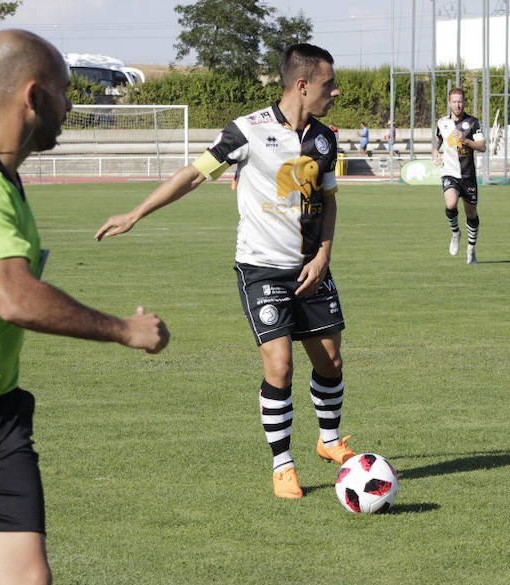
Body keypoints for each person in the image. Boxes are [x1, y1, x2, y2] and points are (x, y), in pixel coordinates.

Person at [0, 30, 169, 585]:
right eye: (65, 94)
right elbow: (14, 298)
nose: (71, 108)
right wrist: (123, 329)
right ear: (33, 98)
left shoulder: (4, 180)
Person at [95, 43, 355, 500]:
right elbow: (193, 175)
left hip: (312, 268)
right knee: (280, 365)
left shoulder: (325, 138)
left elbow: (329, 202)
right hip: (261, 270)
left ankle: (329, 441)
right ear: (302, 84)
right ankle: (282, 464)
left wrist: (323, 256)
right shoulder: (247, 131)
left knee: (330, 361)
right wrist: (136, 213)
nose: (335, 91)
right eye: (328, 83)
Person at [432, 87, 486, 264]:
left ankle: (471, 248)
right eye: (454, 101)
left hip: (468, 175)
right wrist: (435, 150)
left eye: (460, 101)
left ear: (464, 102)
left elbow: (482, 147)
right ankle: (456, 233)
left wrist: (466, 140)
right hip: (450, 173)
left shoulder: (473, 122)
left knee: (471, 213)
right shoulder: (442, 122)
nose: (457, 104)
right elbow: (439, 138)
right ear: (449, 103)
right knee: (451, 203)